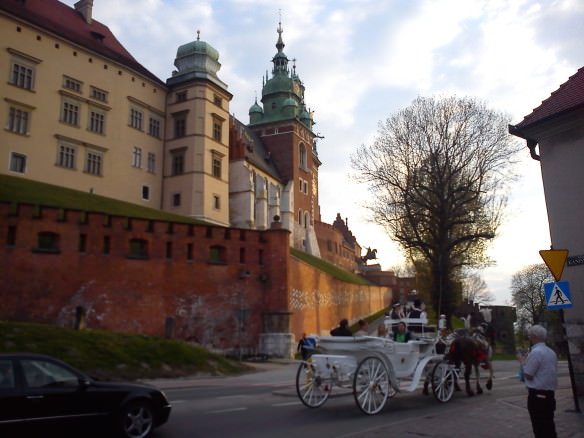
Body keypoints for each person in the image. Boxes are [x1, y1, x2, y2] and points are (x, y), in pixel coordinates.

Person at [517, 325, 558, 438]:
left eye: (530, 336)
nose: (529, 338)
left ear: (534, 337)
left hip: (537, 396)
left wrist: (522, 361)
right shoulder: (551, 352)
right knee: (549, 426)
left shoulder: (536, 352)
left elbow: (528, 375)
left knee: (539, 429)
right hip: (549, 395)